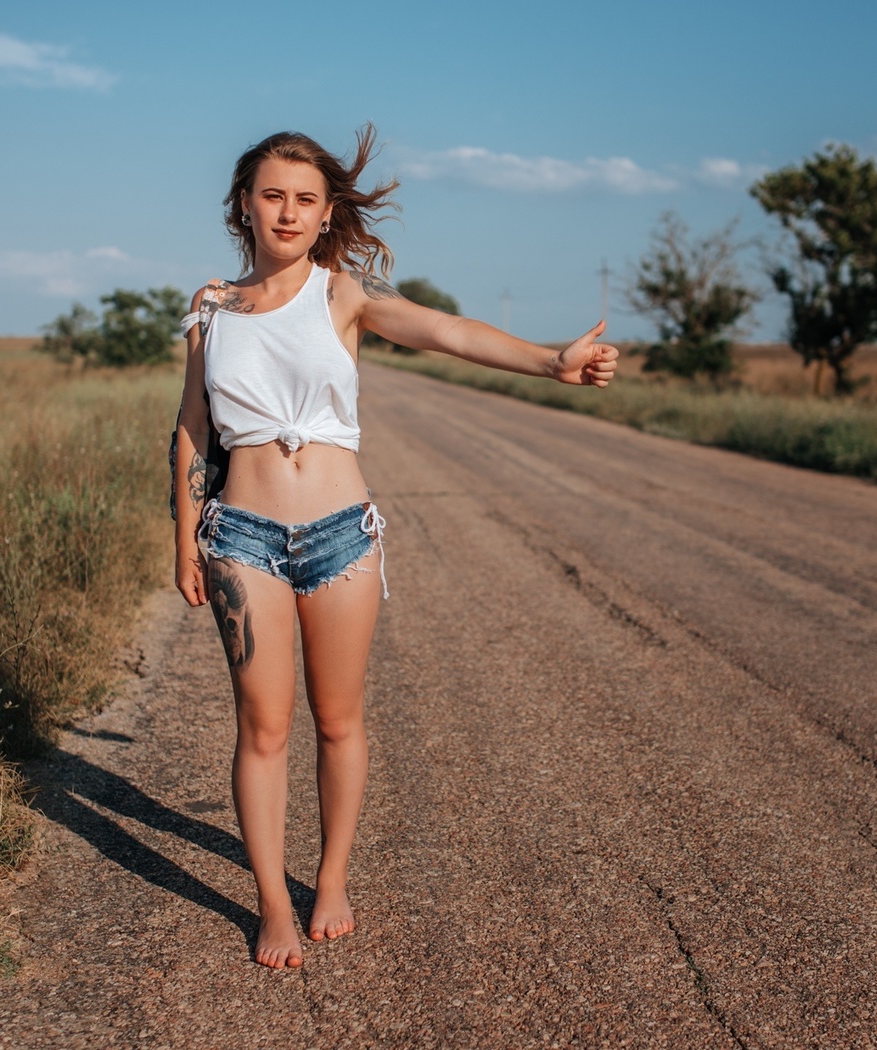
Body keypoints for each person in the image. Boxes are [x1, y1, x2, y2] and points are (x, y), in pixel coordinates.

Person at [172, 127, 618, 969]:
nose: (289, 211)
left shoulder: (342, 295)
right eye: (272, 195)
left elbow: (446, 331)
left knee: (338, 721)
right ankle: (271, 900)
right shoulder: (210, 310)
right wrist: (179, 535)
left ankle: (330, 878)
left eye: (306, 198)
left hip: (341, 533)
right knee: (263, 728)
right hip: (241, 538)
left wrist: (549, 360)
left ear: (327, 209)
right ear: (244, 204)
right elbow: (193, 427)